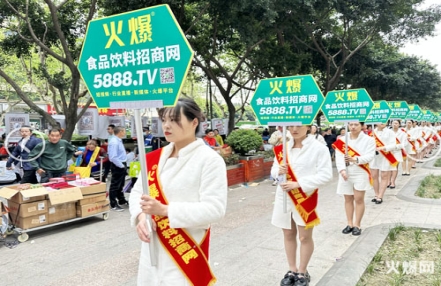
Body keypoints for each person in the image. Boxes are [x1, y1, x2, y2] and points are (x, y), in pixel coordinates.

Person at [129, 98, 228, 285]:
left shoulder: (209, 160)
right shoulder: (154, 159)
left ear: (194, 122)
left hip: (185, 250)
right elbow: (137, 193)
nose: (167, 125)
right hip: (151, 249)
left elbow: (215, 209)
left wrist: (166, 211)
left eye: (174, 120)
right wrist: (141, 217)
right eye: (164, 120)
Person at [272, 125, 332, 286]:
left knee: (304, 236)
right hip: (283, 196)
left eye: (299, 125)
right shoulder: (282, 148)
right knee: (288, 234)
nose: (294, 129)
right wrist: (278, 171)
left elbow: (326, 175)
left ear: (308, 126)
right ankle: (291, 269)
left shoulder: (319, 148)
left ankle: (302, 271)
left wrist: (299, 184)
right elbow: (273, 171)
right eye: (290, 126)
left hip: (305, 196)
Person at [334, 122, 375, 236]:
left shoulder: (368, 139)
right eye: (350, 124)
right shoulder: (342, 139)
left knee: (358, 199)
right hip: (345, 172)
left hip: (360, 171)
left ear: (361, 125)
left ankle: (357, 224)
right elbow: (338, 157)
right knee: (347, 198)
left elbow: (370, 155)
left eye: (356, 124)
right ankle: (349, 223)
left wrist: (355, 159)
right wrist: (341, 170)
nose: (353, 127)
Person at [370, 123, 398, 204]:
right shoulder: (372, 132)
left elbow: (393, 145)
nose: (382, 122)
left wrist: (382, 148)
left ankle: (380, 196)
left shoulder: (390, 132)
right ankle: (376, 194)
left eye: (384, 120)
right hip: (374, 156)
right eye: (380, 120)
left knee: (384, 176)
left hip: (385, 156)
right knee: (374, 175)